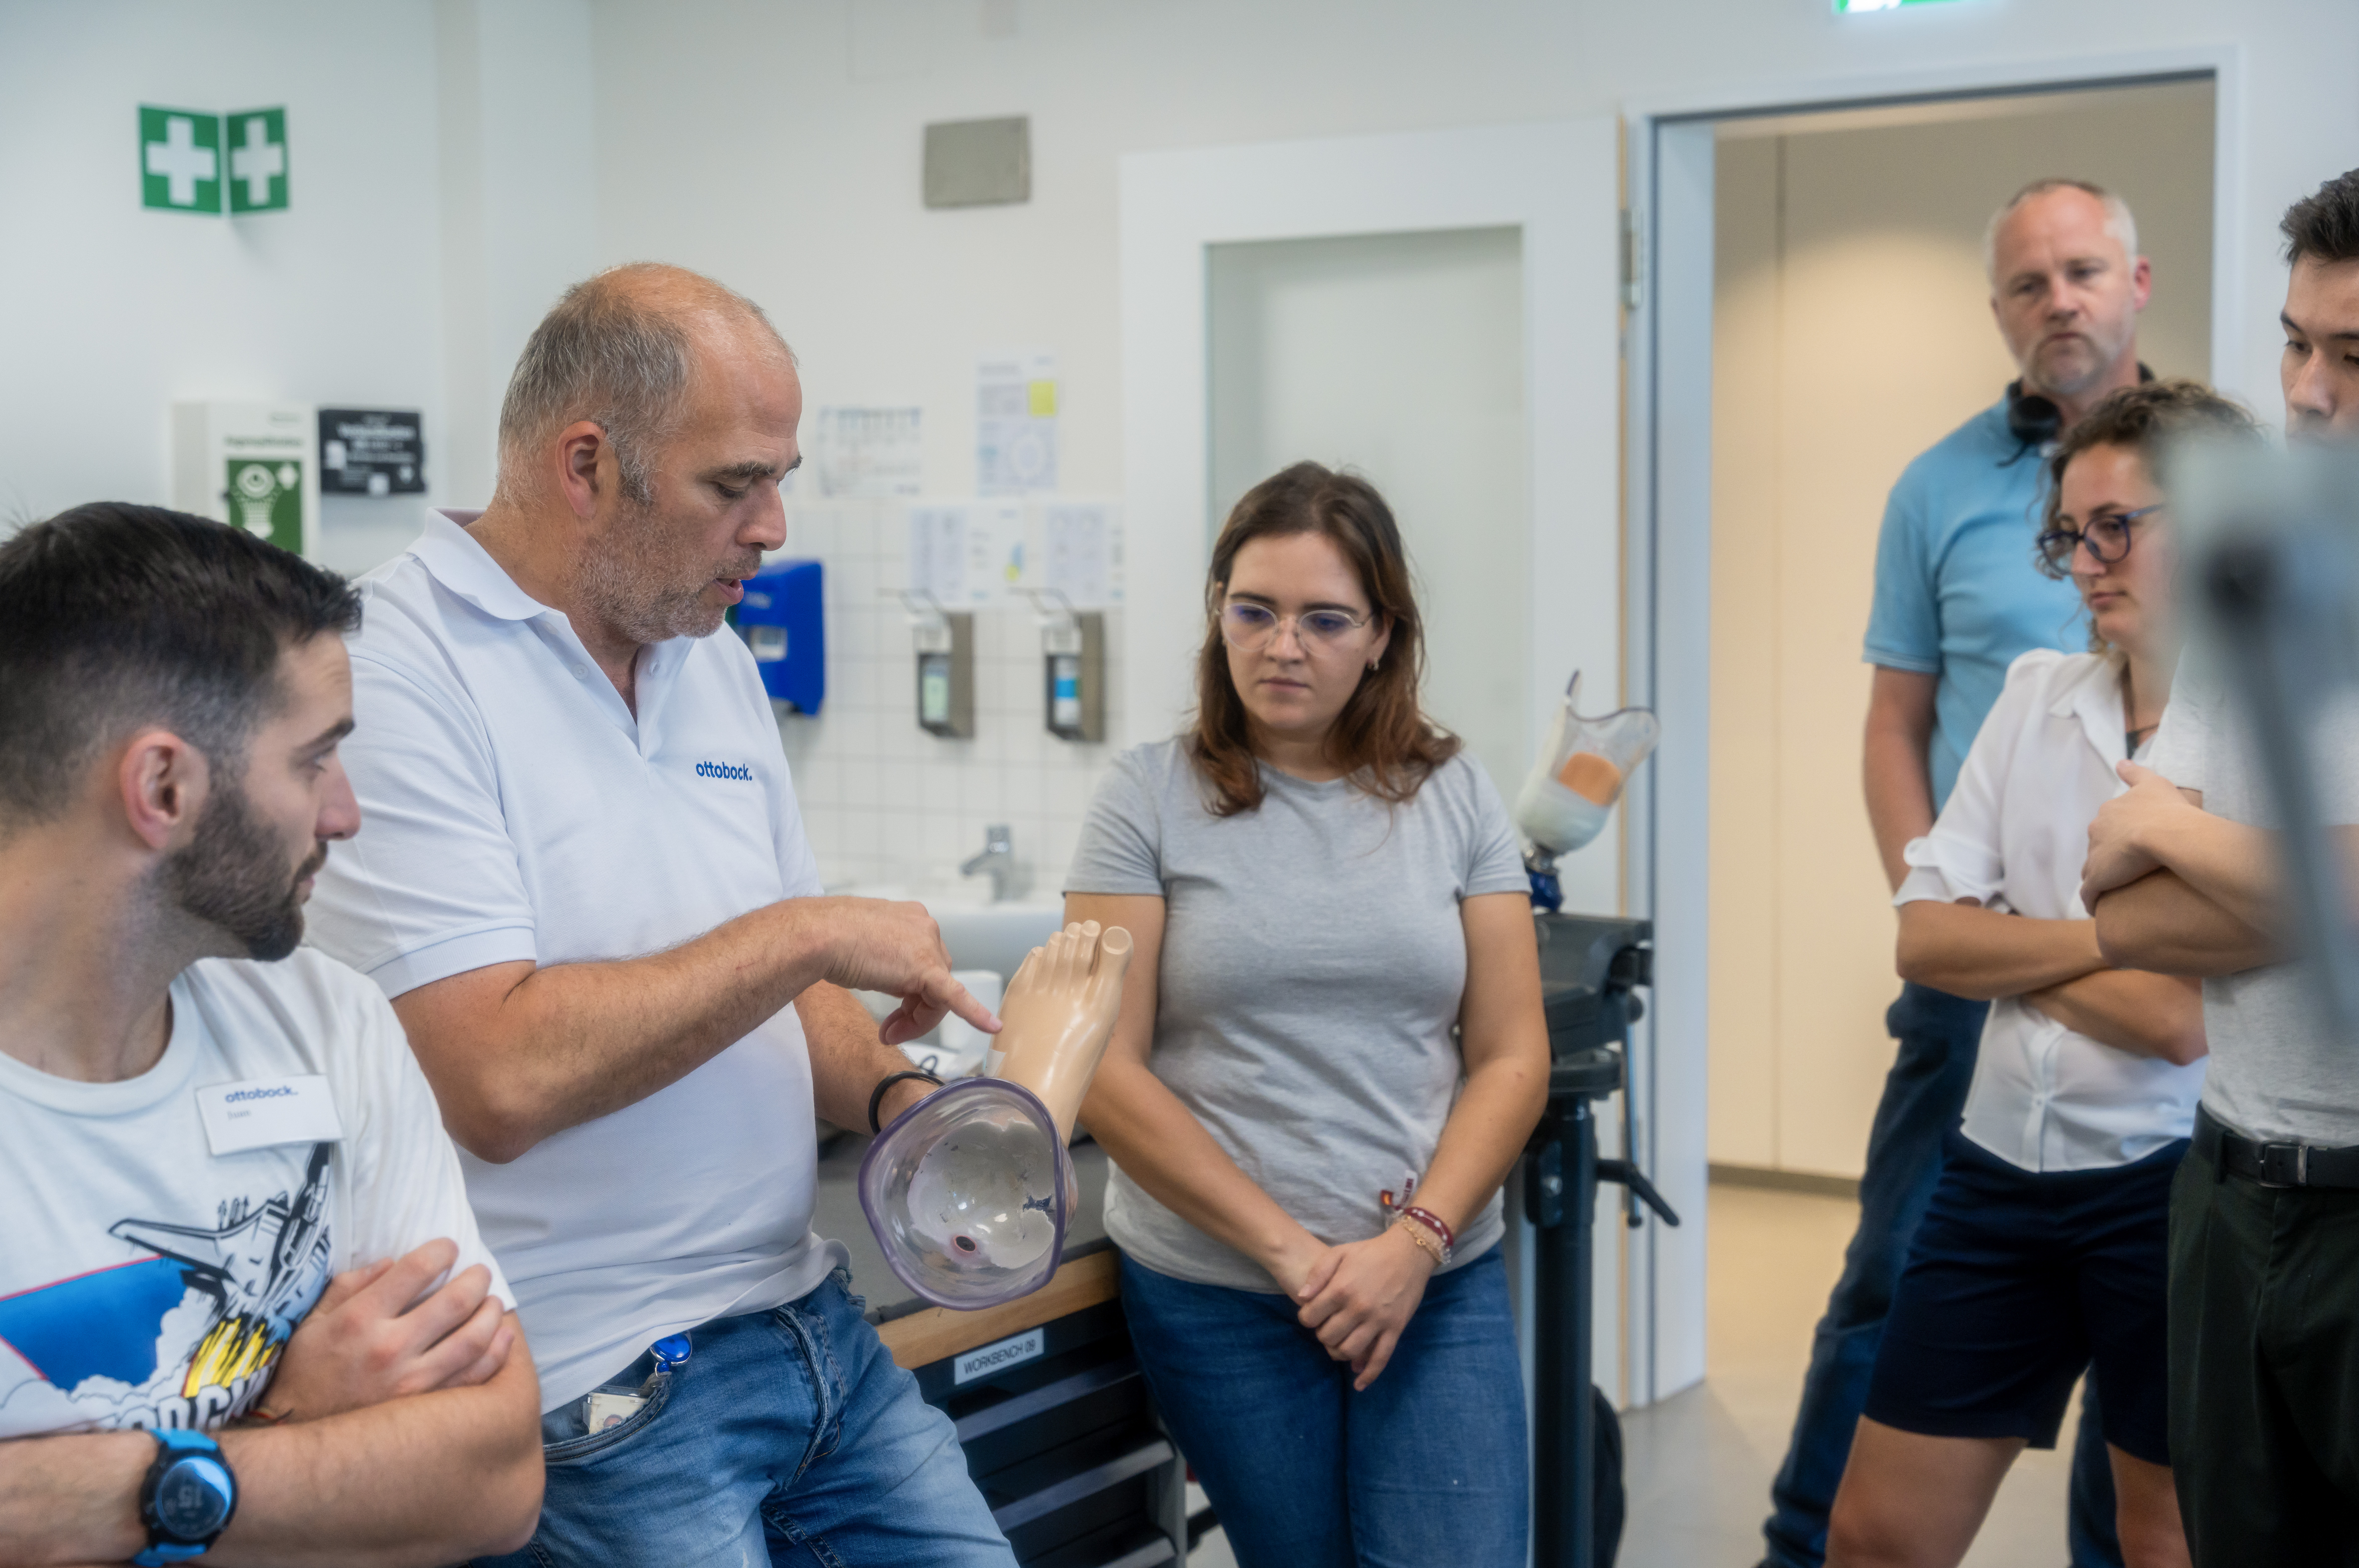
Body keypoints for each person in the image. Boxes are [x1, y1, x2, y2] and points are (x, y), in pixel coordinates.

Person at [303, 264, 1014, 1567]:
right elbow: (498, 1077)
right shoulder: (392, 670)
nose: (772, 527)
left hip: (807, 1326)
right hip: (594, 1381)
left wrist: (897, 1100)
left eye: (780, 478)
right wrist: (810, 933)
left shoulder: (711, 655)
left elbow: (772, 982)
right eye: (733, 485)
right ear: (586, 465)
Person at [0, 504, 541, 1566]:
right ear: (164, 788)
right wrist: (291, 1430)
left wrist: (137, 1488)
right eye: (313, 761)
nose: (344, 814)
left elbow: (492, 1477)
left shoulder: (326, 1022)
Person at [1764, 177, 2158, 1568]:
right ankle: (1798, 1549)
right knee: (1889, 1285)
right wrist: (1930, 904)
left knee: (2145, 1347)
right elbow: (1894, 723)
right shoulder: (1935, 488)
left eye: (2080, 271)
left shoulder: (2214, 484)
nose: (2057, 300)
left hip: (2161, 992)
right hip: (1975, 971)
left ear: (2134, 282)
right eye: (2025, 283)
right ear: (1996, 309)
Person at [1064, 462, 1551, 1568]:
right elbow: (1103, 1064)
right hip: (1223, 1288)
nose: (1283, 646)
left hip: (1432, 1277)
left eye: (1324, 620)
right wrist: (1296, 1258)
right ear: (1219, 614)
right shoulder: (1144, 797)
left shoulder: (1455, 793)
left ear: (1382, 634)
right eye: (1255, 611)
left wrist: (1411, 1247)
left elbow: (1513, 1053)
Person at [1827, 380, 2263, 1568]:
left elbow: (2177, 1026)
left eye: (2116, 526)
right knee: (1871, 1537)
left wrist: (2006, 944)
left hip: (2165, 1187)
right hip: (1996, 1174)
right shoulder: (2034, 697)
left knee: (2156, 1538)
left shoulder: (2266, 731)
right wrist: (2107, 947)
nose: (2083, 561)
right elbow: (1925, 940)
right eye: (2068, 533)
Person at [2085, 168, 2359, 1565]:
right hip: (2226, 1195)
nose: (2306, 393)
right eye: (2294, 342)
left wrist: (2171, 828)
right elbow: (2119, 914)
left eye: (2351, 355)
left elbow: (2150, 854)